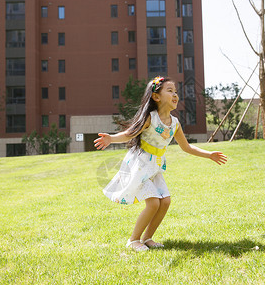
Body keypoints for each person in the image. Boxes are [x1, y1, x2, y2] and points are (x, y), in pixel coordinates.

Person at [94, 76, 227, 252]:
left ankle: (147, 238)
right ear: (156, 97)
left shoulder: (175, 124)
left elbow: (186, 147)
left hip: (155, 167)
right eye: (170, 91)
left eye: (176, 92)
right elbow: (129, 134)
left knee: (165, 201)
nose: (175, 95)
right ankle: (133, 240)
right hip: (139, 166)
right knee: (154, 203)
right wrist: (111, 139)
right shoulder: (150, 118)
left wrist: (208, 154)